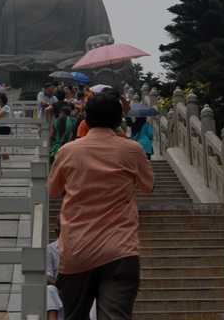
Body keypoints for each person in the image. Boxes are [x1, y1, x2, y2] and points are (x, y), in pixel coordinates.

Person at [49, 92, 155, 319]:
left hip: (77, 249)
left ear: (85, 119)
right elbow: (148, 185)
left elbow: (53, 190)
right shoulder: (132, 150)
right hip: (120, 249)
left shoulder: (67, 151)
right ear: (119, 120)